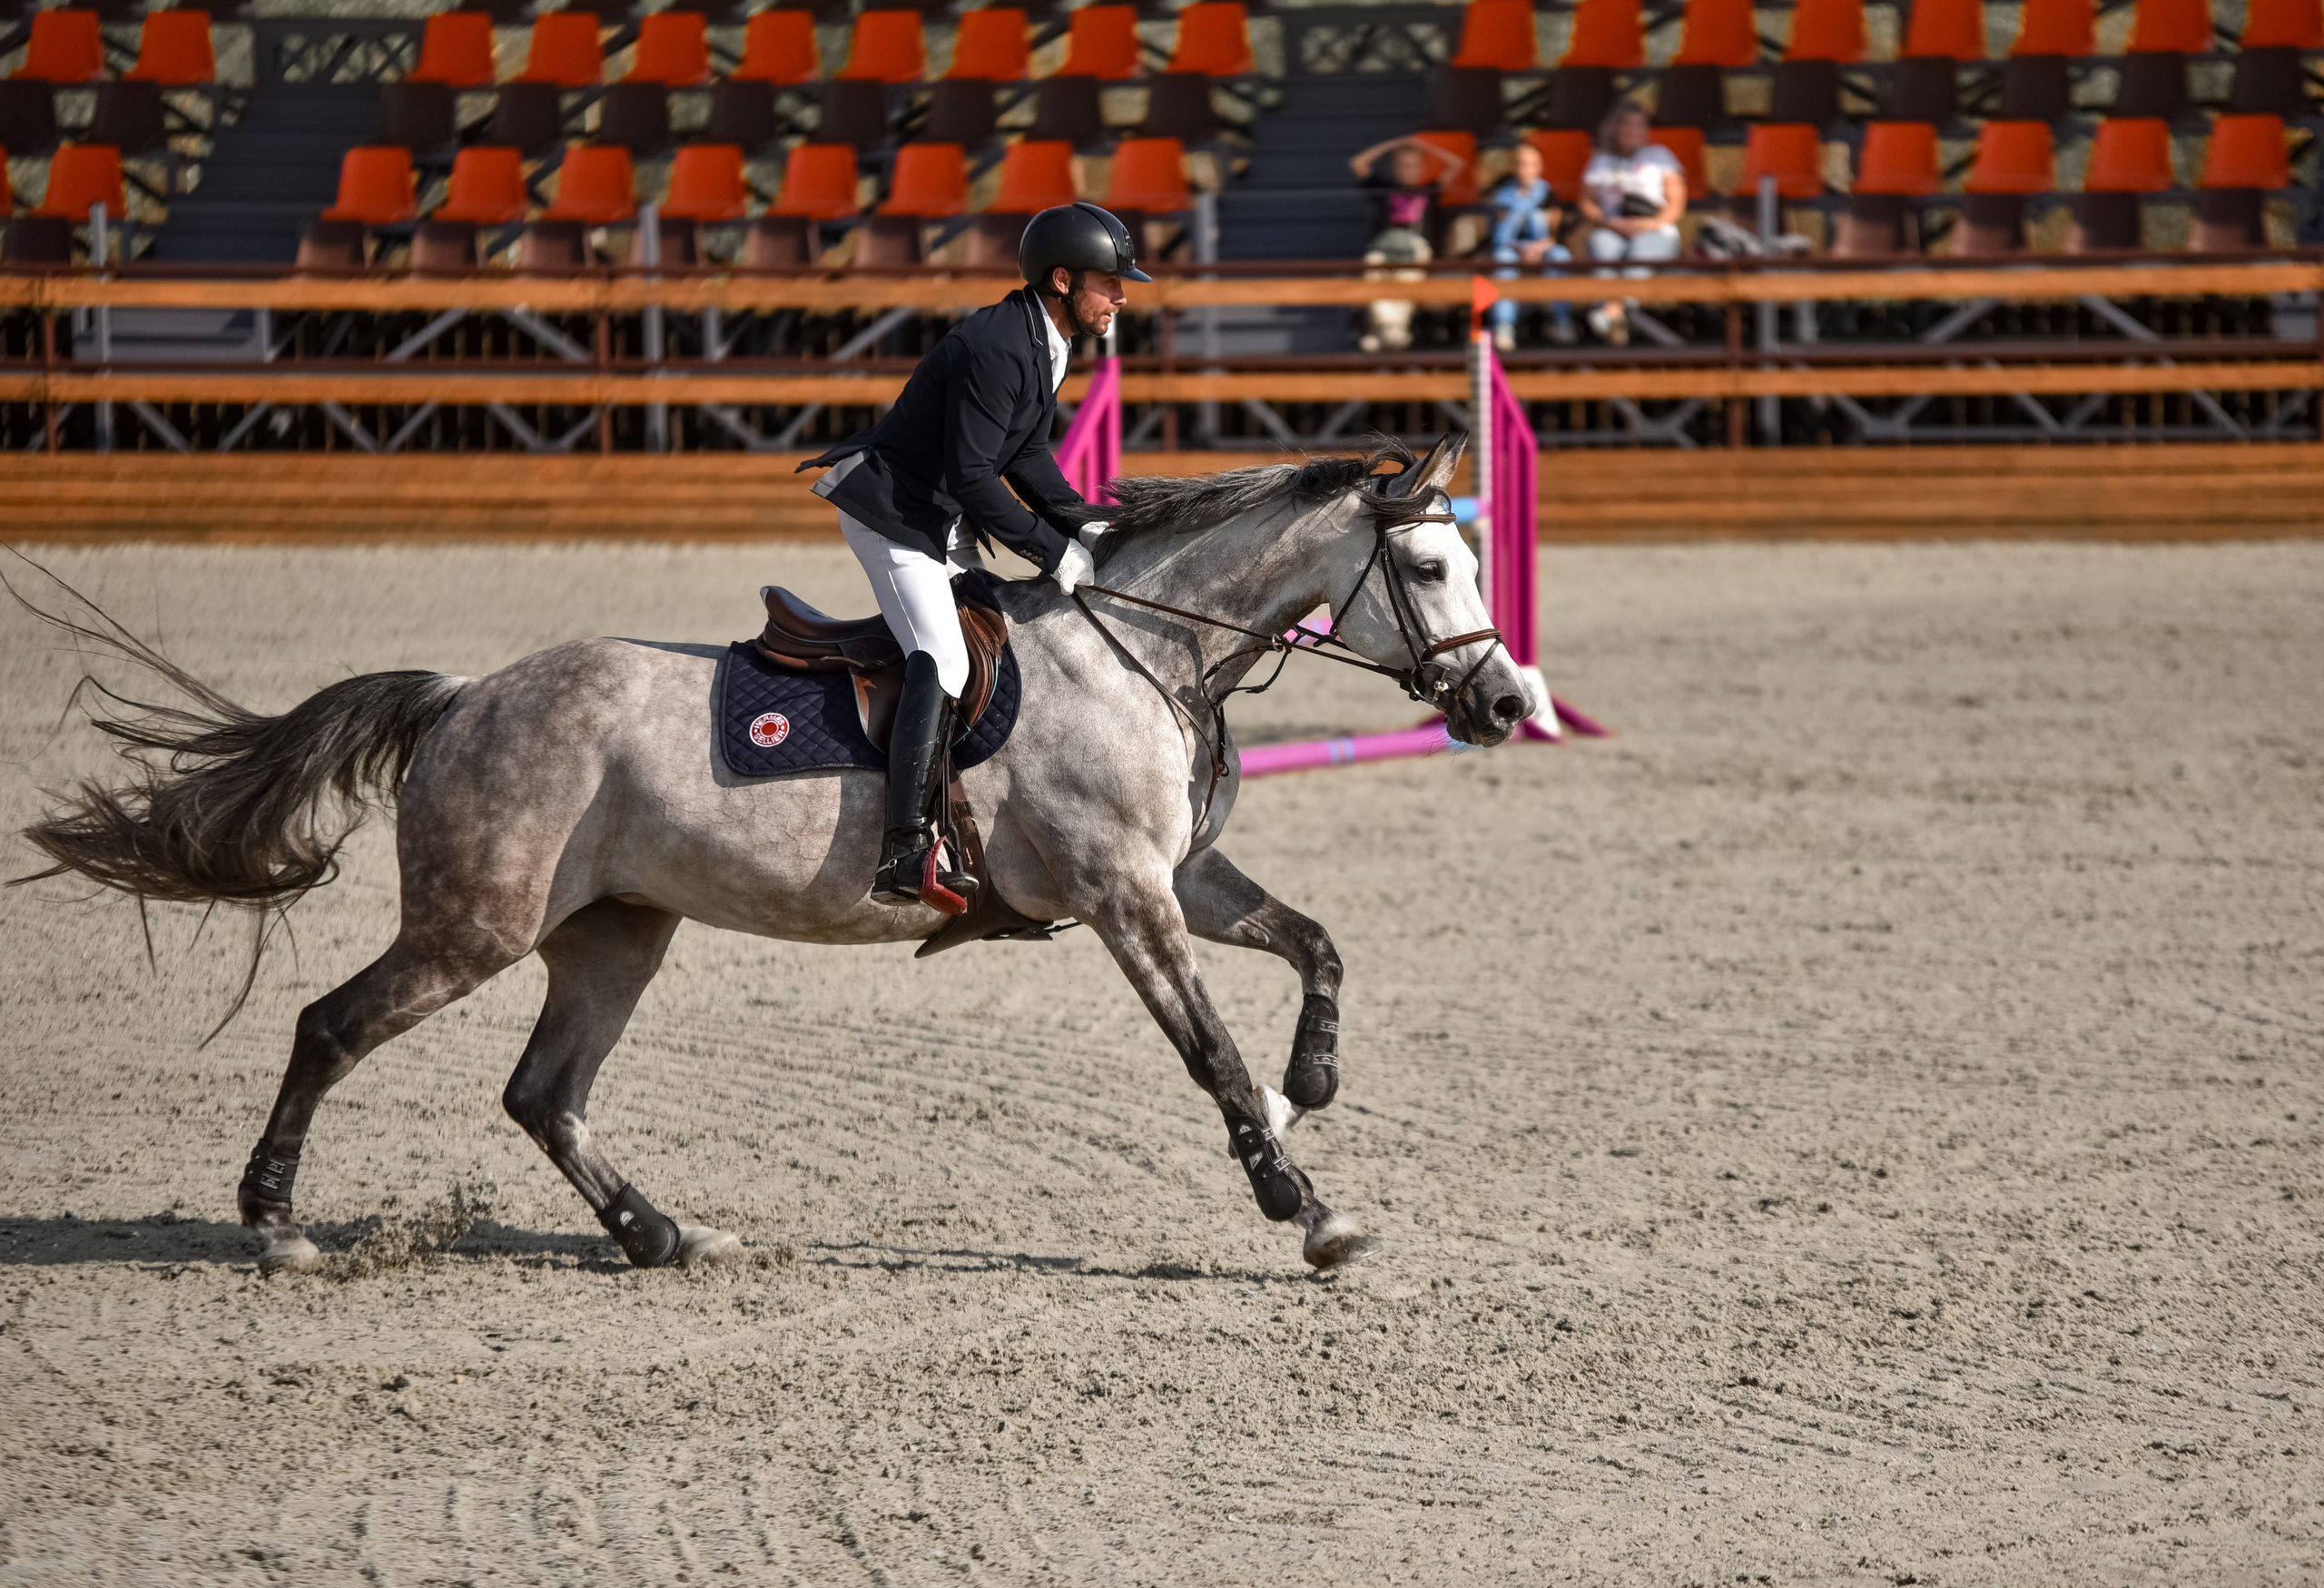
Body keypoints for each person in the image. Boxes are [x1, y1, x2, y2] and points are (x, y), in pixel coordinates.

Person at [797, 202, 1148, 907]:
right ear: (1061, 279)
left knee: (996, 637)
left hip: (941, 516)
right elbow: (975, 478)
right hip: (894, 517)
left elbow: (1026, 451)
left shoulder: (1047, 339)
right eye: (1109, 281)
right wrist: (1053, 553)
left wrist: (1083, 524)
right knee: (946, 656)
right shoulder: (998, 346)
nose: (1122, 295)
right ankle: (904, 848)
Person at [1575, 99, 1687, 346]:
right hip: (1612, 228)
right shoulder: (1601, 161)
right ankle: (1618, 319)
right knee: (1603, 245)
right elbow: (1586, 202)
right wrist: (1608, 222)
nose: (1631, 130)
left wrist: (1649, 224)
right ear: (1615, 128)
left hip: (1654, 229)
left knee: (1641, 252)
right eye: (1626, 124)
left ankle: (1610, 312)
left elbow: (1676, 204)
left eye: (1638, 125)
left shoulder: (1660, 156)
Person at [1347, 134, 1468, 352]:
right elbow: (1358, 163)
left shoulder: (1429, 190)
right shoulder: (1384, 188)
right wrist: (1391, 144)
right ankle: (1392, 331)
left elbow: (1456, 164)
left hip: (1414, 248)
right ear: (1395, 168)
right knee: (1372, 274)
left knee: (1406, 280)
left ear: (1421, 168)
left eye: (1414, 166)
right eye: (1403, 166)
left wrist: (1428, 149)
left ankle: (1385, 331)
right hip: (1384, 247)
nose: (1409, 171)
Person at [1486, 141, 1575, 351]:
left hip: (1543, 248)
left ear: (1539, 167)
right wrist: (1522, 249)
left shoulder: (1548, 194)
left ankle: (1561, 321)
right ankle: (1505, 325)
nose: (1526, 169)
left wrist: (1538, 248)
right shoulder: (1502, 195)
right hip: (1512, 248)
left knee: (1561, 256)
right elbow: (1500, 233)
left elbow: (1555, 233)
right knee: (1503, 260)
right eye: (1521, 164)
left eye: (1531, 164)